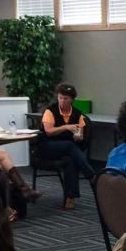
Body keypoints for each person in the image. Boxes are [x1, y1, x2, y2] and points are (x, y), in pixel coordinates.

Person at [39, 82, 95, 210]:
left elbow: (80, 136)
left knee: (71, 160)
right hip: (48, 147)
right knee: (70, 146)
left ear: (71, 100)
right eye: (60, 98)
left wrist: (77, 135)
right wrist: (66, 127)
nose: (62, 101)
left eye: (65, 98)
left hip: (66, 149)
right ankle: (91, 174)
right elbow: (49, 131)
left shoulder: (77, 114)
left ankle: (70, 198)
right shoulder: (50, 111)